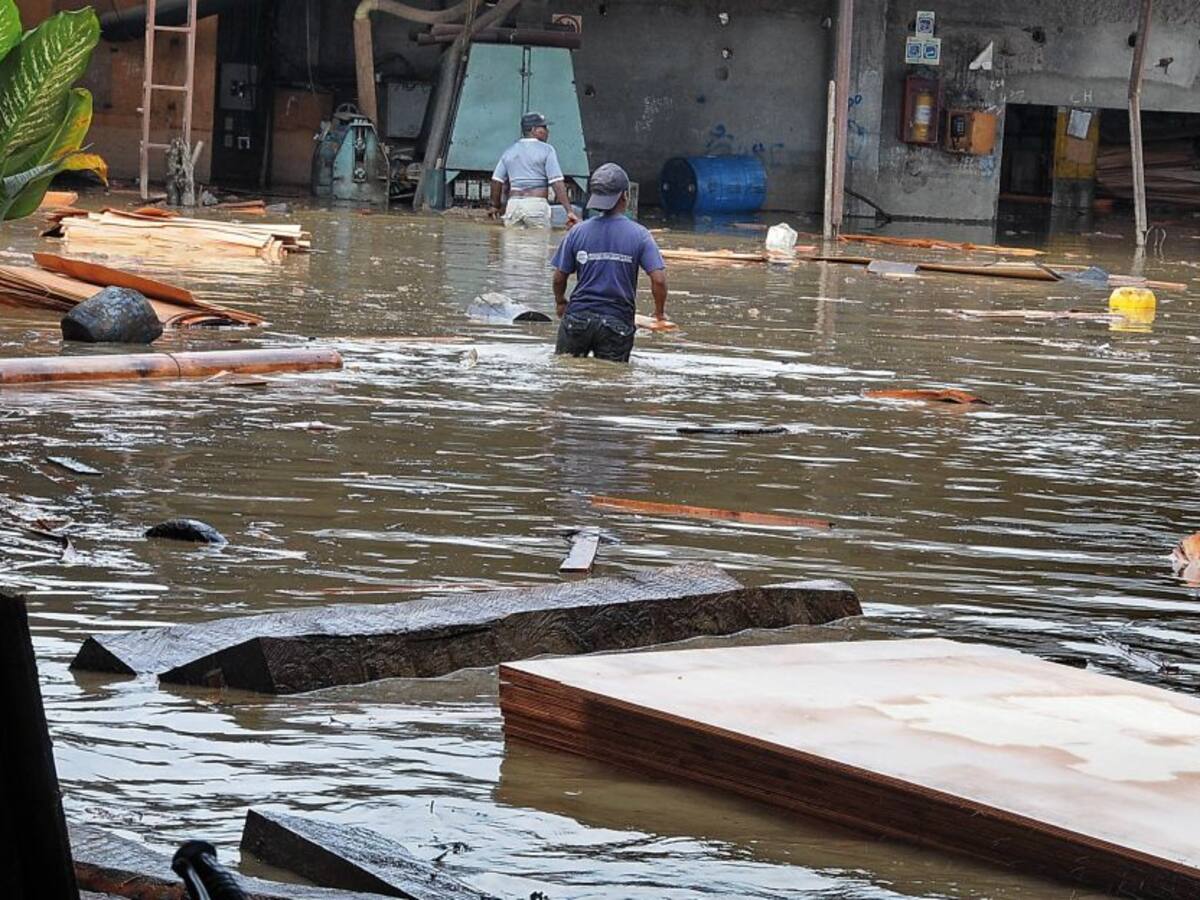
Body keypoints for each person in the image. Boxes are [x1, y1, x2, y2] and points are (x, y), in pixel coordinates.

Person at [550, 163, 668, 363]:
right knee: (611, 385)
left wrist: (561, 301)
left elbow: (559, 277)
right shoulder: (640, 235)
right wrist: (659, 312)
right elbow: (659, 280)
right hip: (617, 323)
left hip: (577, 320)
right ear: (624, 196)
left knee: (566, 378)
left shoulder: (577, 232)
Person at [490, 112, 579, 229]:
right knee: (537, 245)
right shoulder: (547, 150)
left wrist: (495, 206)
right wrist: (569, 211)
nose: (547, 131)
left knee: (512, 246)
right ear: (533, 130)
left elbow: (496, 181)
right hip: (536, 206)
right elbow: (556, 182)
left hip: (513, 206)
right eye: (544, 128)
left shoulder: (509, 151)